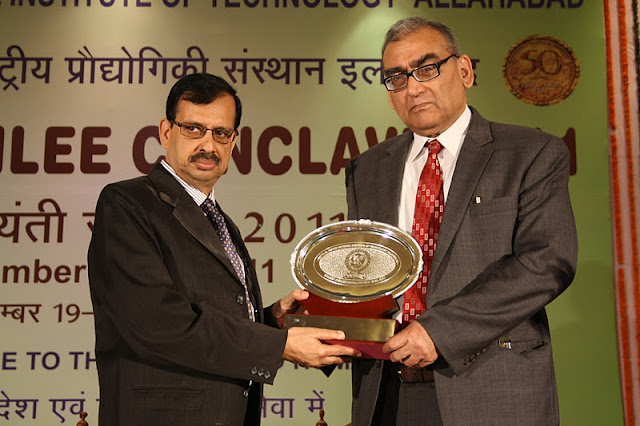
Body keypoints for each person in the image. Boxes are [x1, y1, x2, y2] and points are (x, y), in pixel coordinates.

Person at [87, 73, 359, 426]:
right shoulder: (128, 203)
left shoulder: (221, 221)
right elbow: (157, 322)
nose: (208, 144)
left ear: (234, 141)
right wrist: (278, 346)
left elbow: (214, 315)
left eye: (221, 133)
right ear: (166, 132)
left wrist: (272, 320)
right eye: (193, 129)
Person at [345, 17, 577, 425]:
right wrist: (325, 321)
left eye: (427, 68)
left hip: (493, 388)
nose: (413, 87)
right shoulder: (368, 169)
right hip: (388, 391)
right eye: (396, 78)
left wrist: (438, 331)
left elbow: (546, 262)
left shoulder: (531, 153)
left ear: (465, 70)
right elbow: (365, 273)